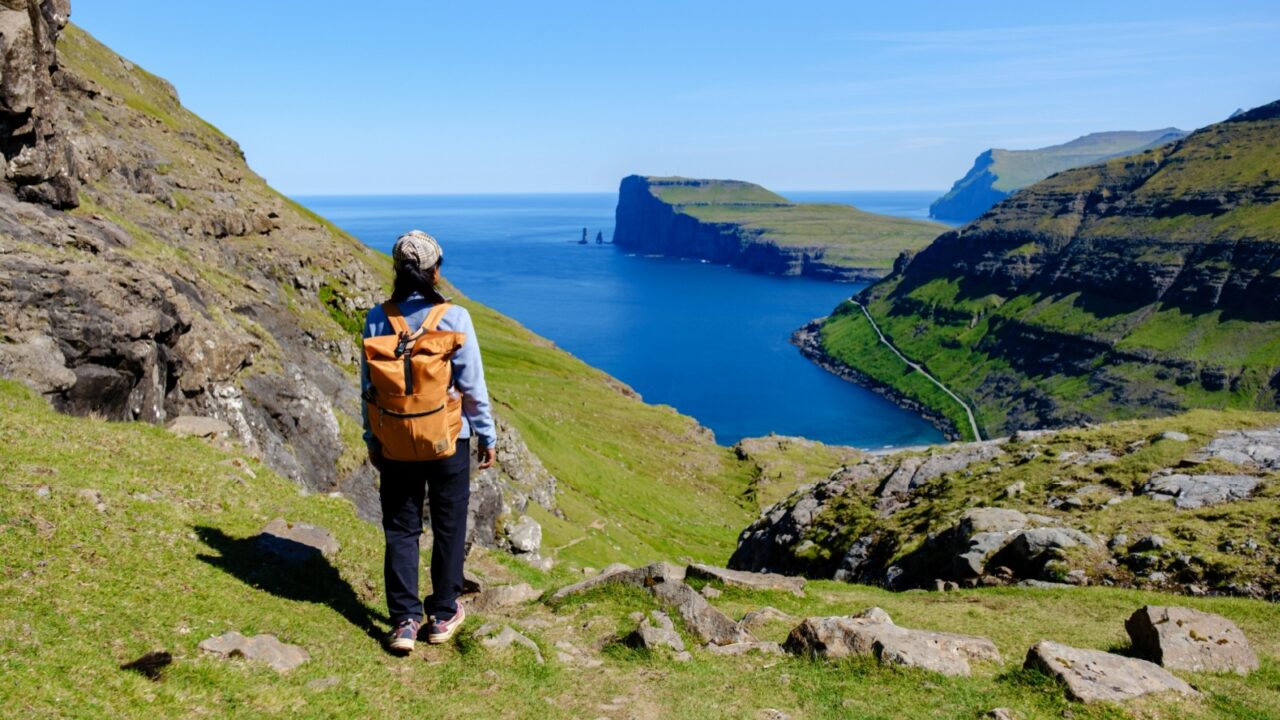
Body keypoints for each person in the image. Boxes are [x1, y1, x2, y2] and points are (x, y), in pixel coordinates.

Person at [361, 230, 497, 654]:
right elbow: (472, 386)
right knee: (448, 524)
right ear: (435, 272)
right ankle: (442, 613)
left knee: (401, 527)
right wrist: (487, 435)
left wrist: (373, 439)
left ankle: (403, 621)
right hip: (447, 440)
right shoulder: (454, 318)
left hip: (397, 441)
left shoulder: (376, 318)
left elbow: (368, 389)